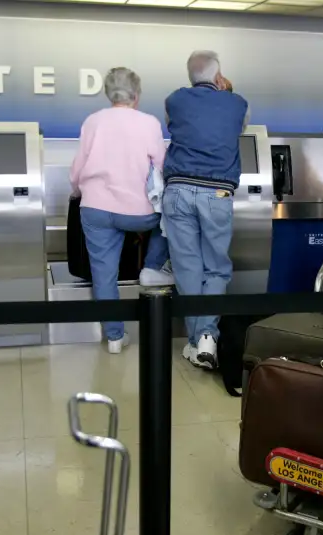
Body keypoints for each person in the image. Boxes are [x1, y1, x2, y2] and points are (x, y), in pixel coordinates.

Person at [70, 67, 173, 355]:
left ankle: (114, 337)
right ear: (136, 95)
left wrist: (77, 190)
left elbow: (78, 166)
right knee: (171, 219)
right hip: (139, 212)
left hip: (97, 209)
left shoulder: (92, 122)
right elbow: (162, 164)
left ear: (108, 93)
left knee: (104, 274)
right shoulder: (149, 123)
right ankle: (151, 269)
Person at [163, 50, 250, 369]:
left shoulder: (173, 100)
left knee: (187, 268)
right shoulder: (238, 102)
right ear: (218, 75)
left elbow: (174, 126)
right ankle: (207, 338)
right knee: (216, 268)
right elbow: (237, 130)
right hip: (217, 193)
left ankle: (195, 340)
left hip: (178, 190)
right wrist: (228, 92)